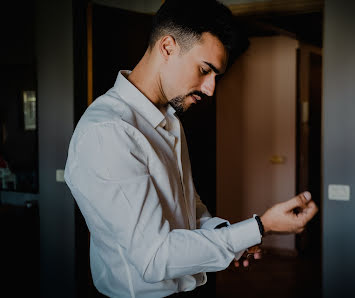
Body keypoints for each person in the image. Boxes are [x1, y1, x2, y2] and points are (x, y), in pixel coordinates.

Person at [64, 0, 318, 297]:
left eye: (215, 76)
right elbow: (155, 257)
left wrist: (235, 240)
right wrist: (261, 227)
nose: (210, 89)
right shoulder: (108, 133)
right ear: (168, 48)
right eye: (204, 69)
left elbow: (190, 212)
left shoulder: (170, 121)